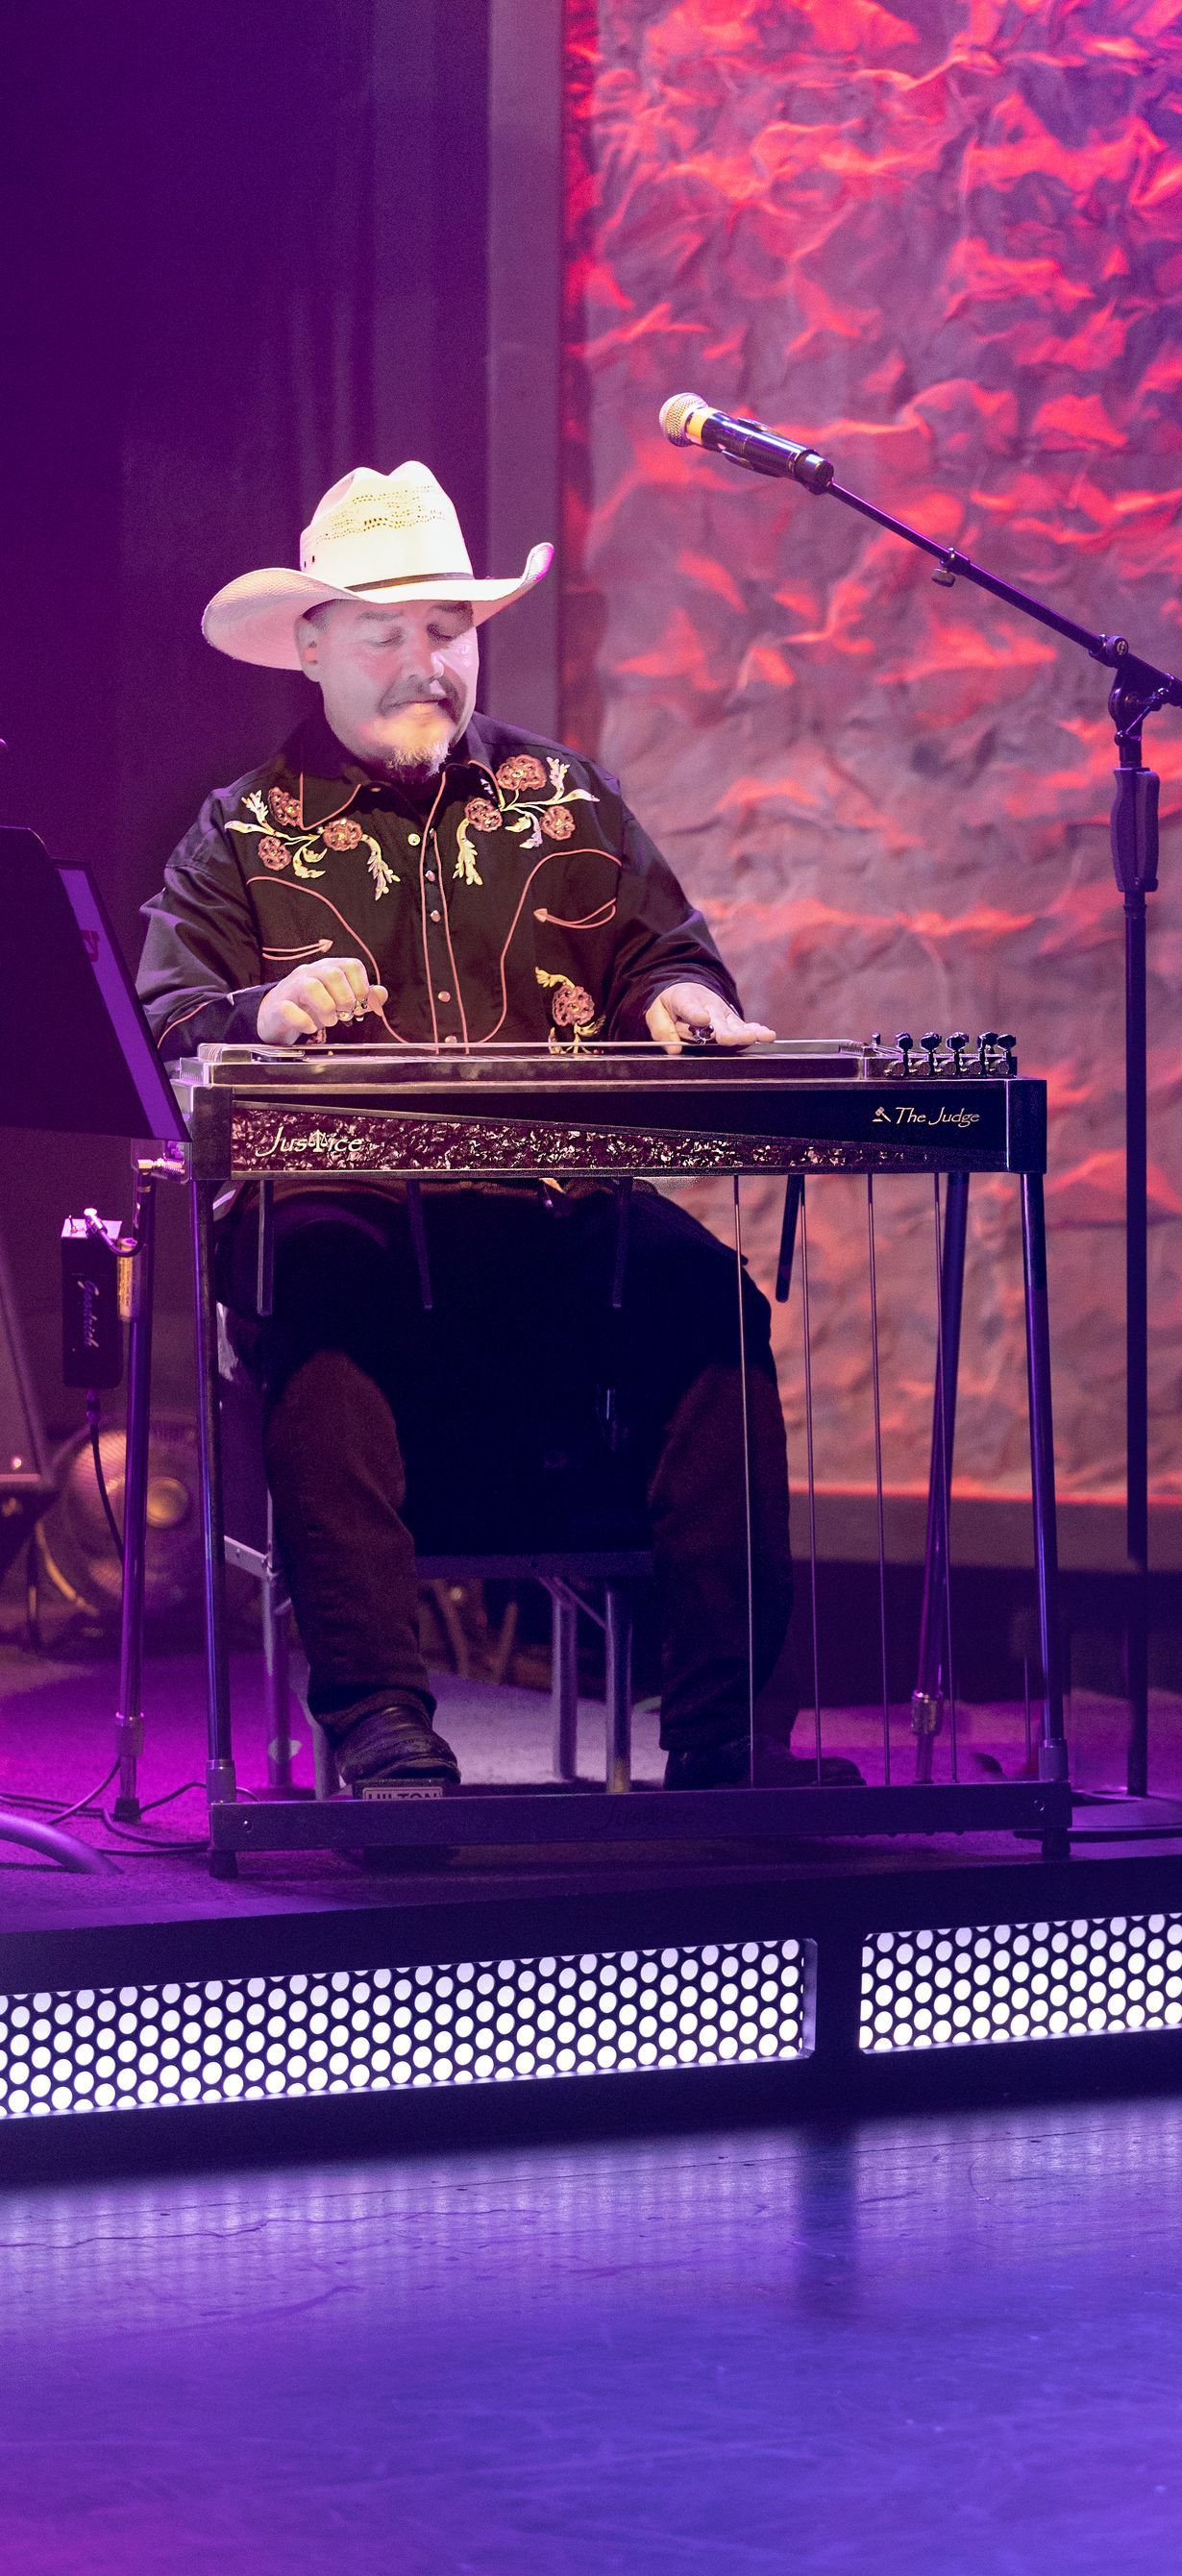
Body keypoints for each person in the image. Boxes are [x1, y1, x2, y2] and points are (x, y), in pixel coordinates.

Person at [137, 459, 828, 1801]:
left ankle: (728, 1737)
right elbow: (164, 1021)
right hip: (346, 1225)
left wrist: (685, 1000)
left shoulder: (566, 800)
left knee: (708, 1298)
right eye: (387, 634)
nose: (423, 664)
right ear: (315, 647)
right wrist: (262, 1006)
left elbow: (664, 958)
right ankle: (384, 1726)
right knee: (313, 1280)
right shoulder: (238, 835)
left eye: (447, 632)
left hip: (552, 1225)